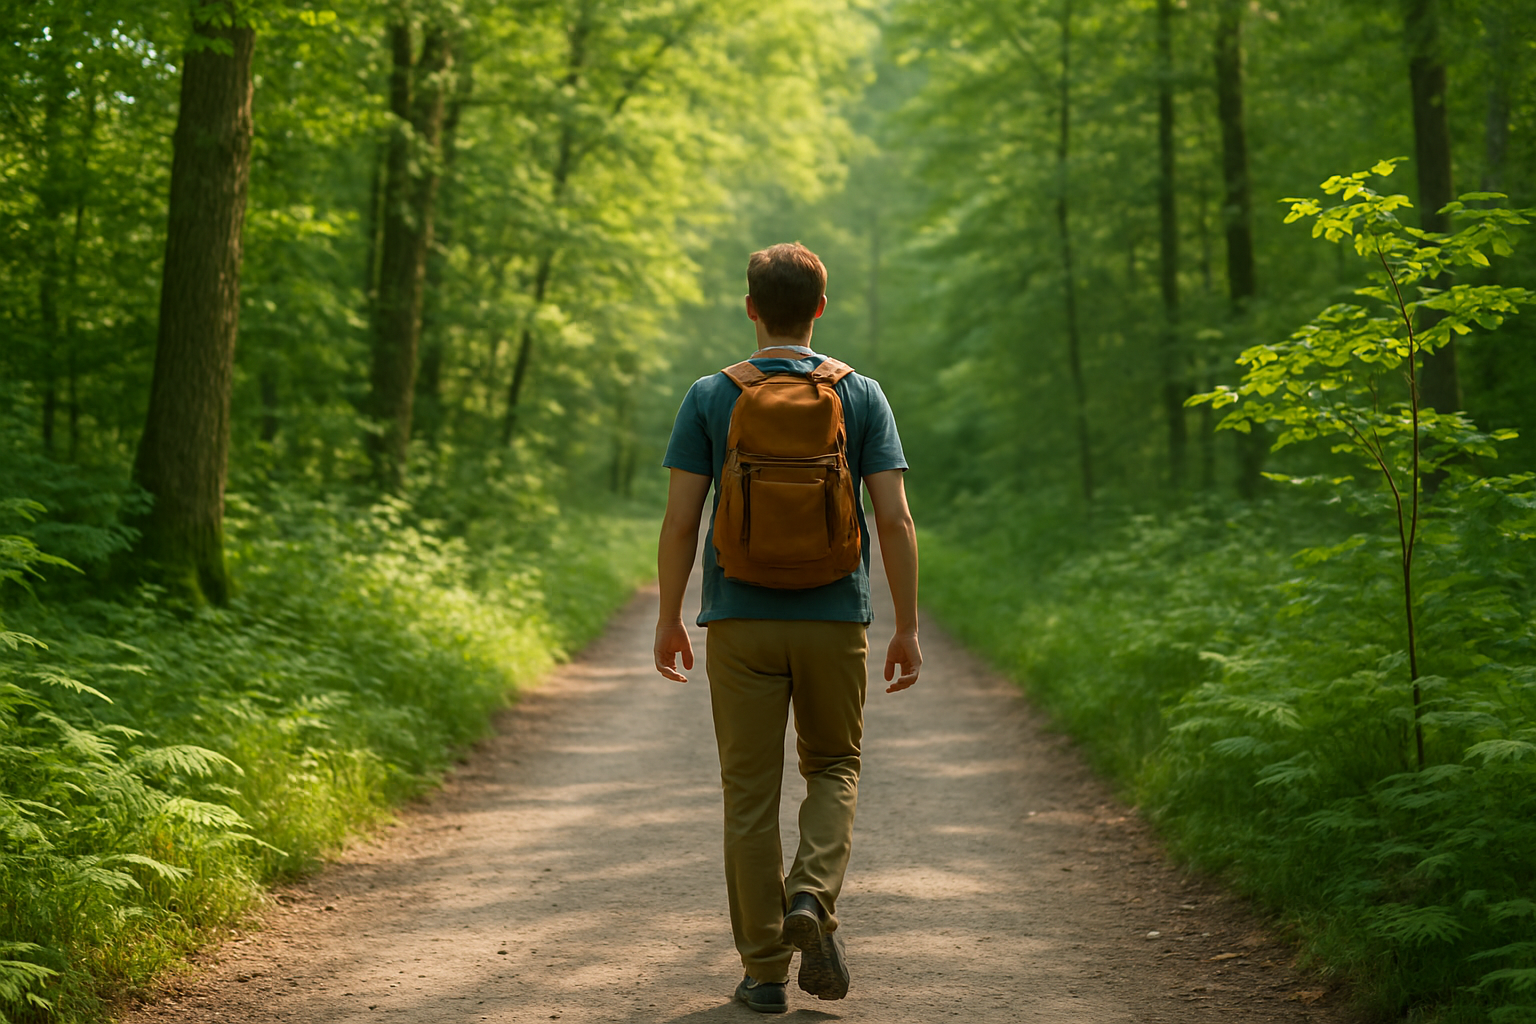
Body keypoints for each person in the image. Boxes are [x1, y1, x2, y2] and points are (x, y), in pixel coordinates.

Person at [652, 242, 922, 1014]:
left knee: (748, 796)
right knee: (834, 766)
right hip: (836, 620)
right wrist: (904, 625)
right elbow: (895, 521)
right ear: (821, 310)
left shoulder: (712, 395)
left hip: (739, 621)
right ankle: (812, 895)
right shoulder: (860, 393)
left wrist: (671, 617)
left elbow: (680, 524)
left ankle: (765, 973)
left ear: (750, 308)